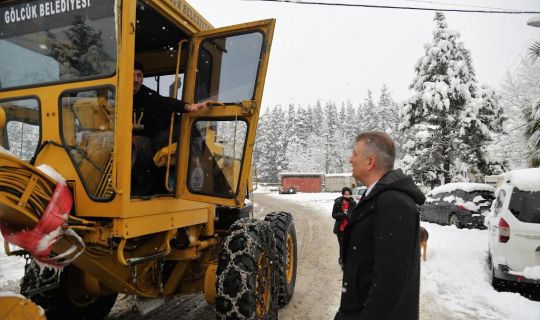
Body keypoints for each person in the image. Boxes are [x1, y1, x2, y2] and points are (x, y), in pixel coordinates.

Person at [335, 131, 426, 320]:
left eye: (355, 154)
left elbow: (389, 282)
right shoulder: (376, 198)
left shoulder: (393, 203)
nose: (350, 159)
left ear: (370, 162)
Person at [131, 61, 210, 195]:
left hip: (147, 141)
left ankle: (144, 190)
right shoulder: (115, 95)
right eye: (132, 75)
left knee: (141, 144)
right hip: (125, 141)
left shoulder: (148, 96)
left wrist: (189, 107)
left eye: (139, 76)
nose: (136, 80)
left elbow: (165, 102)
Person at [332, 187, 356, 267]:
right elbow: (334, 214)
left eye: (348, 194)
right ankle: (342, 260)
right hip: (341, 229)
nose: (347, 196)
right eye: (345, 194)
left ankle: (347, 260)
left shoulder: (353, 203)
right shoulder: (338, 202)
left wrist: (349, 216)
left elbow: (355, 215)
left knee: (349, 246)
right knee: (342, 245)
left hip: (350, 228)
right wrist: (343, 215)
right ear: (343, 194)